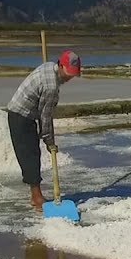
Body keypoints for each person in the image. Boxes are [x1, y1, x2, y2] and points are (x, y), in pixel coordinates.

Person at [6, 50, 82, 211]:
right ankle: (36, 197)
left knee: (32, 153)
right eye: (68, 73)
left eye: (72, 75)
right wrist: (49, 140)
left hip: (25, 113)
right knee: (30, 155)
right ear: (60, 65)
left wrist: (47, 138)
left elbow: (43, 115)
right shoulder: (51, 87)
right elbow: (45, 116)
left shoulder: (49, 67)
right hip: (20, 115)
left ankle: (36, 195)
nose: (69, 78)